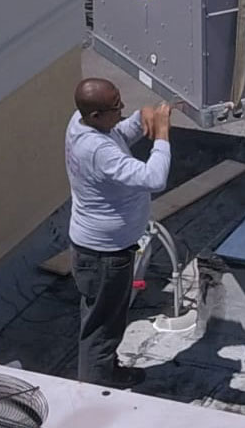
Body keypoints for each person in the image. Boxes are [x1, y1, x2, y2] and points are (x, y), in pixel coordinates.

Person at [64, 77, 173, 388]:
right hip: (105, 257)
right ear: (96, 115)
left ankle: (107, 372)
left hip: (97, 251)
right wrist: (161, 135)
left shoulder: (82, 122)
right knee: (102, 329)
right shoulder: (96, 150)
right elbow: (154, 178)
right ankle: (97, 392)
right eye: (117, 108)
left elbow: (118, 134)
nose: (122, 111)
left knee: (101, 319)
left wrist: (142, 118)